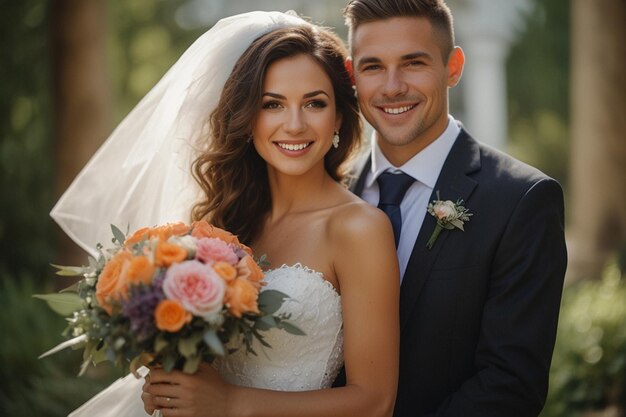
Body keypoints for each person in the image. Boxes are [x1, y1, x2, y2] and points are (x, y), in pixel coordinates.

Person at [53, 11, 399, 417]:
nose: (294, 124)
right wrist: (169, 384)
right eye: (273, 104)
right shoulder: (220, 222)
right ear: (248, 117)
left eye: (314, 103)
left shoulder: (358, 229)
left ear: (338, 116)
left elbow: (375, 402)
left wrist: (232, 403)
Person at [334, 1, 568, 416]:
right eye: (373, 67)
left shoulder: (522, 200)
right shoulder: (330, 190)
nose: (392, 87)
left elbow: (511, 385)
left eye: (413, 63)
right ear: (352, 75)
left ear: (453, 67)